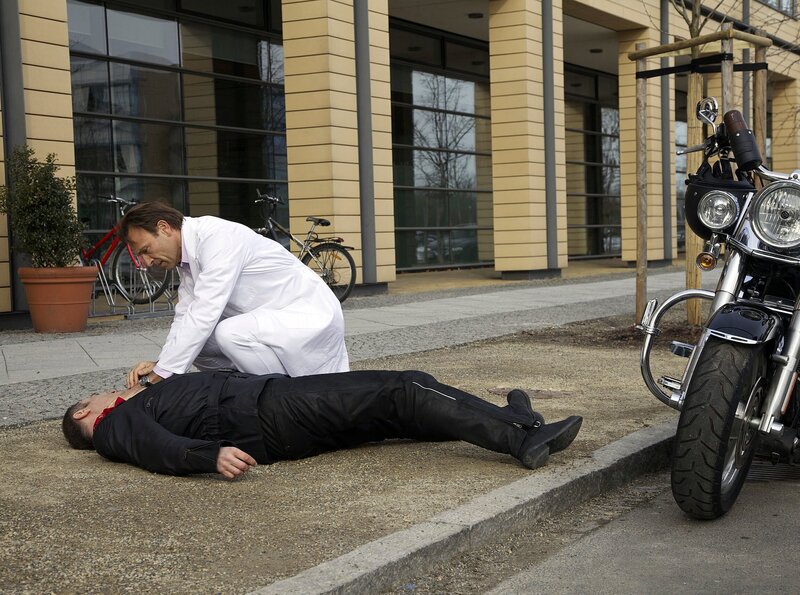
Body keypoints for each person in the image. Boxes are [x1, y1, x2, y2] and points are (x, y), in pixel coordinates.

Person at [62, 369, 583, 478]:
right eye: (97, 394)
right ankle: (521, 437)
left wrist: (157, 380)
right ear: (85, 411)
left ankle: (513, 418)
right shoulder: (111, 426)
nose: (109, 390)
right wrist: (208, 456)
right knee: (402, 391)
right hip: (269, 411)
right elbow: (154, 447)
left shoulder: (135, 404)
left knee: (398, 408)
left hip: (268, 414)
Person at [118, 202, 349, 388]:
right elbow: (185, 316)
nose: (146, 262)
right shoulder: (186, 258)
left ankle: (284, 396)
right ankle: (238, 391)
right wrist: (162, 364)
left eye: (146, 250)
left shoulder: (217, 237)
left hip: (308, 312)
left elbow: (205, 311)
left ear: (164, 228)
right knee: (200, 346)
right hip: (276, 315)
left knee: (229, 333)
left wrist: (161, 374)